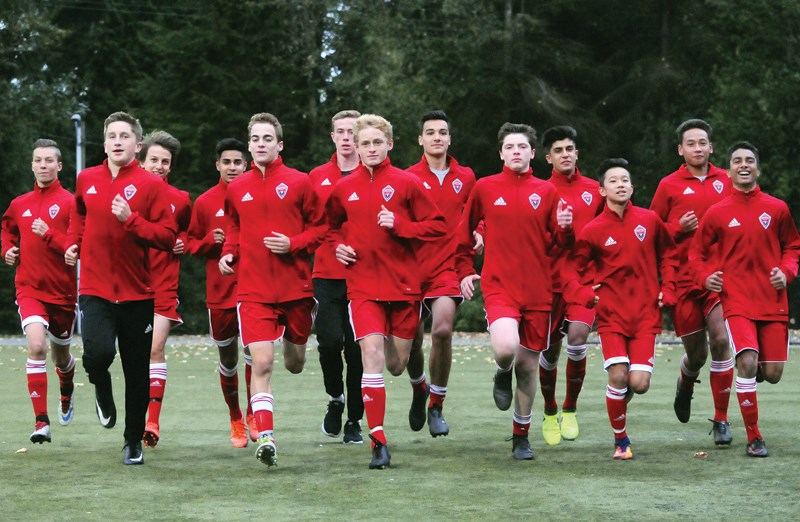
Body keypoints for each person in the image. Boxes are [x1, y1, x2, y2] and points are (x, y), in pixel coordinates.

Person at [326, 114, 447, 469]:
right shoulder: (343, 187)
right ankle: (378, 440)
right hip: (362, 287)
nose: (371, 148)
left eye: (377, 142)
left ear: (390, 144)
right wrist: (338, 246)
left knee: (396, 365)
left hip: (404, 287)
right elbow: (329, 227)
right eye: (365, 143)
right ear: (356, 148)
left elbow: (437, 226)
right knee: (373, 357)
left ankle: (420, 386)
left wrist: (402, 225)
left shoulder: (407, 183)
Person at [65, 111, 177, 465]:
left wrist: (132, 220)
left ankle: (132, 441)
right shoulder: (87, 179)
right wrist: (73, 243)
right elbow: (78, 215)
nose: (117, 141)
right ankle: (101, 386)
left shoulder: (151, 185)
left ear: (137, 144)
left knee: (136, 370)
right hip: (95, 288)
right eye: (111, 135)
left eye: (124, 136)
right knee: (97, 355)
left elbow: (167, 236)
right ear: (104, 142)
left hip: (138, 293)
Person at [457, 123, 573, 460]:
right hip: (499, 285)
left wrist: (565, 229)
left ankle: (521, 435)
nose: (516, 152)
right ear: (501, 153)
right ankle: (500, 371)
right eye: (510, 147)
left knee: (528, 366)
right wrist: (464, 270)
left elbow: (561, 245)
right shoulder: (485, 188)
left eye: (522, 146)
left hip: (539, 290)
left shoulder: (548, 192)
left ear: (533, 153)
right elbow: (462, 233)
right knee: (507, 349)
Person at [219, 112, 325, 467]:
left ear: (280, 145)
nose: (261, 144)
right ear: (249, 145)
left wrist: (293, 243)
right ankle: (266, 436)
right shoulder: (236, 188)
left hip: (296, 289)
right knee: (261, 362)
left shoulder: (300, 182)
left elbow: (320, 230)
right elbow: (233, 229)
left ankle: (297, 348)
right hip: (253, 291)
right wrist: (228, 254)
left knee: (294, 364)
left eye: (268, 139)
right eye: (256, 139)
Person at [689, 142, 800, 457]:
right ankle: (754, 437)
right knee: (748, 362)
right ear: (728, 171)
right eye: (737, 160)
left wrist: (787, 272)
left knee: (773, 373)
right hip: (736, 300)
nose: (743, 165)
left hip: (773, 301)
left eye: (750, 160)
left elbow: (793, 246)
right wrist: (705, 277)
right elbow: (696, 254)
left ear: (758, 169)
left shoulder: (777, 208)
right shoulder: (717, 212)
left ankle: (749, 379)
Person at [564, 158, 677, 460]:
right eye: (614, 180)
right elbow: (572, 272)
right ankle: (621, 441)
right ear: (601, 190)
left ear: (633, 187)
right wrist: (585, 294)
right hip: (611, 316)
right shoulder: (592, 230)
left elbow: (669, 255)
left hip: (645, 316)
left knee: (638, 384)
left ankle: (621, 395)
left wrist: (669, 287)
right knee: (617, 375)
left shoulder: (650, 220)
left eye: (625, 179)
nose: (621, 184)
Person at [650, 119, 733, 444]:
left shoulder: (726, 180)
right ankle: (686, 382)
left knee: (721, 340)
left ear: (711, 147)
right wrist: (677, 228)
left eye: (703, 142)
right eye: (691, 143)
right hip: (682, 282)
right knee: (697, 355)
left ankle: (721, 420)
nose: (698, 148)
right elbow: (651, 233)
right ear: (680, 150)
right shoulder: (668, 185)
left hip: (717, 279)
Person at [405, 110, 478, 437]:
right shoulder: (406, 177)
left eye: (442, 132)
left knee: (444, 330)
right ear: (420, 139)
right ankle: (419, 387)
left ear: (450, 138)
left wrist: (482, 232)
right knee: (409, 344)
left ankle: (436, 403)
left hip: (448, 269)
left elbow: (481, 215)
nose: (437, 137)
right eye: (430, 132)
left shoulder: (467, 177)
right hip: (409, 271)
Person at [2, 139, 77, 444]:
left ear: (59, 166)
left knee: (61, 358)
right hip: (29, 288)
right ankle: (41, 421)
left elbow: (75, 244)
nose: (43, 165)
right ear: (32, 165)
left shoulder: (72, 203)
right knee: (36, 347)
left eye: (49, 161)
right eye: (38, 160)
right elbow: (5, 231)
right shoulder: (19, 204)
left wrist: (49, 235)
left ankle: (67, 389)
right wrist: (6, 249)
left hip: (62, 293)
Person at [538, 125, 602, 445]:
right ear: (548, 157)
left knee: (577, 338)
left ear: (577, 153)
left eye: (570, 149)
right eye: (558, 151)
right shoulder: (539, 191)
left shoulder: (595, 189)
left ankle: (571, 407)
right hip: (549, 283)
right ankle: (550, 411)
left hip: (584, 281)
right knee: (549, 353)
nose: (565, 155)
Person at [187, 138, 251, 448]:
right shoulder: (204, 202)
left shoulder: (256, 195)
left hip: (255, 291)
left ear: (247, 164)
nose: (232, 167)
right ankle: (235, 417)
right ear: (218, 165)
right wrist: (210, 242)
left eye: (237, 162)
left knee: (256, 355)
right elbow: (189, 244)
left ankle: (255, 415)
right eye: (227, 162)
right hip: (220, 294)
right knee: (228, 358)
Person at [309, 110, 365, 444]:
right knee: (329, 342)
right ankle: (335, 398)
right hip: (326, 274)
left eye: (351, 132)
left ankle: (355, 420)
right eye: (340, 132)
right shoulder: (316, 176)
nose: (346, 137)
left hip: (364, 275)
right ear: (333, 137)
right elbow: (312, 223)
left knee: (358, 351)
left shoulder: (373, 174)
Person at [138, 130, 192, 448]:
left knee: (156, 349)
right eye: (154, 160)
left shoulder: (181, 199)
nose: (159, 166)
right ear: (142, 160)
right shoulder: (126, 196)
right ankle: (136, 417)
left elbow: (188, 231)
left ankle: (152, 422)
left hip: (163, 285)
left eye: (165, 162)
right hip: (128, 287)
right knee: (134, 356)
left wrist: (184, 241)